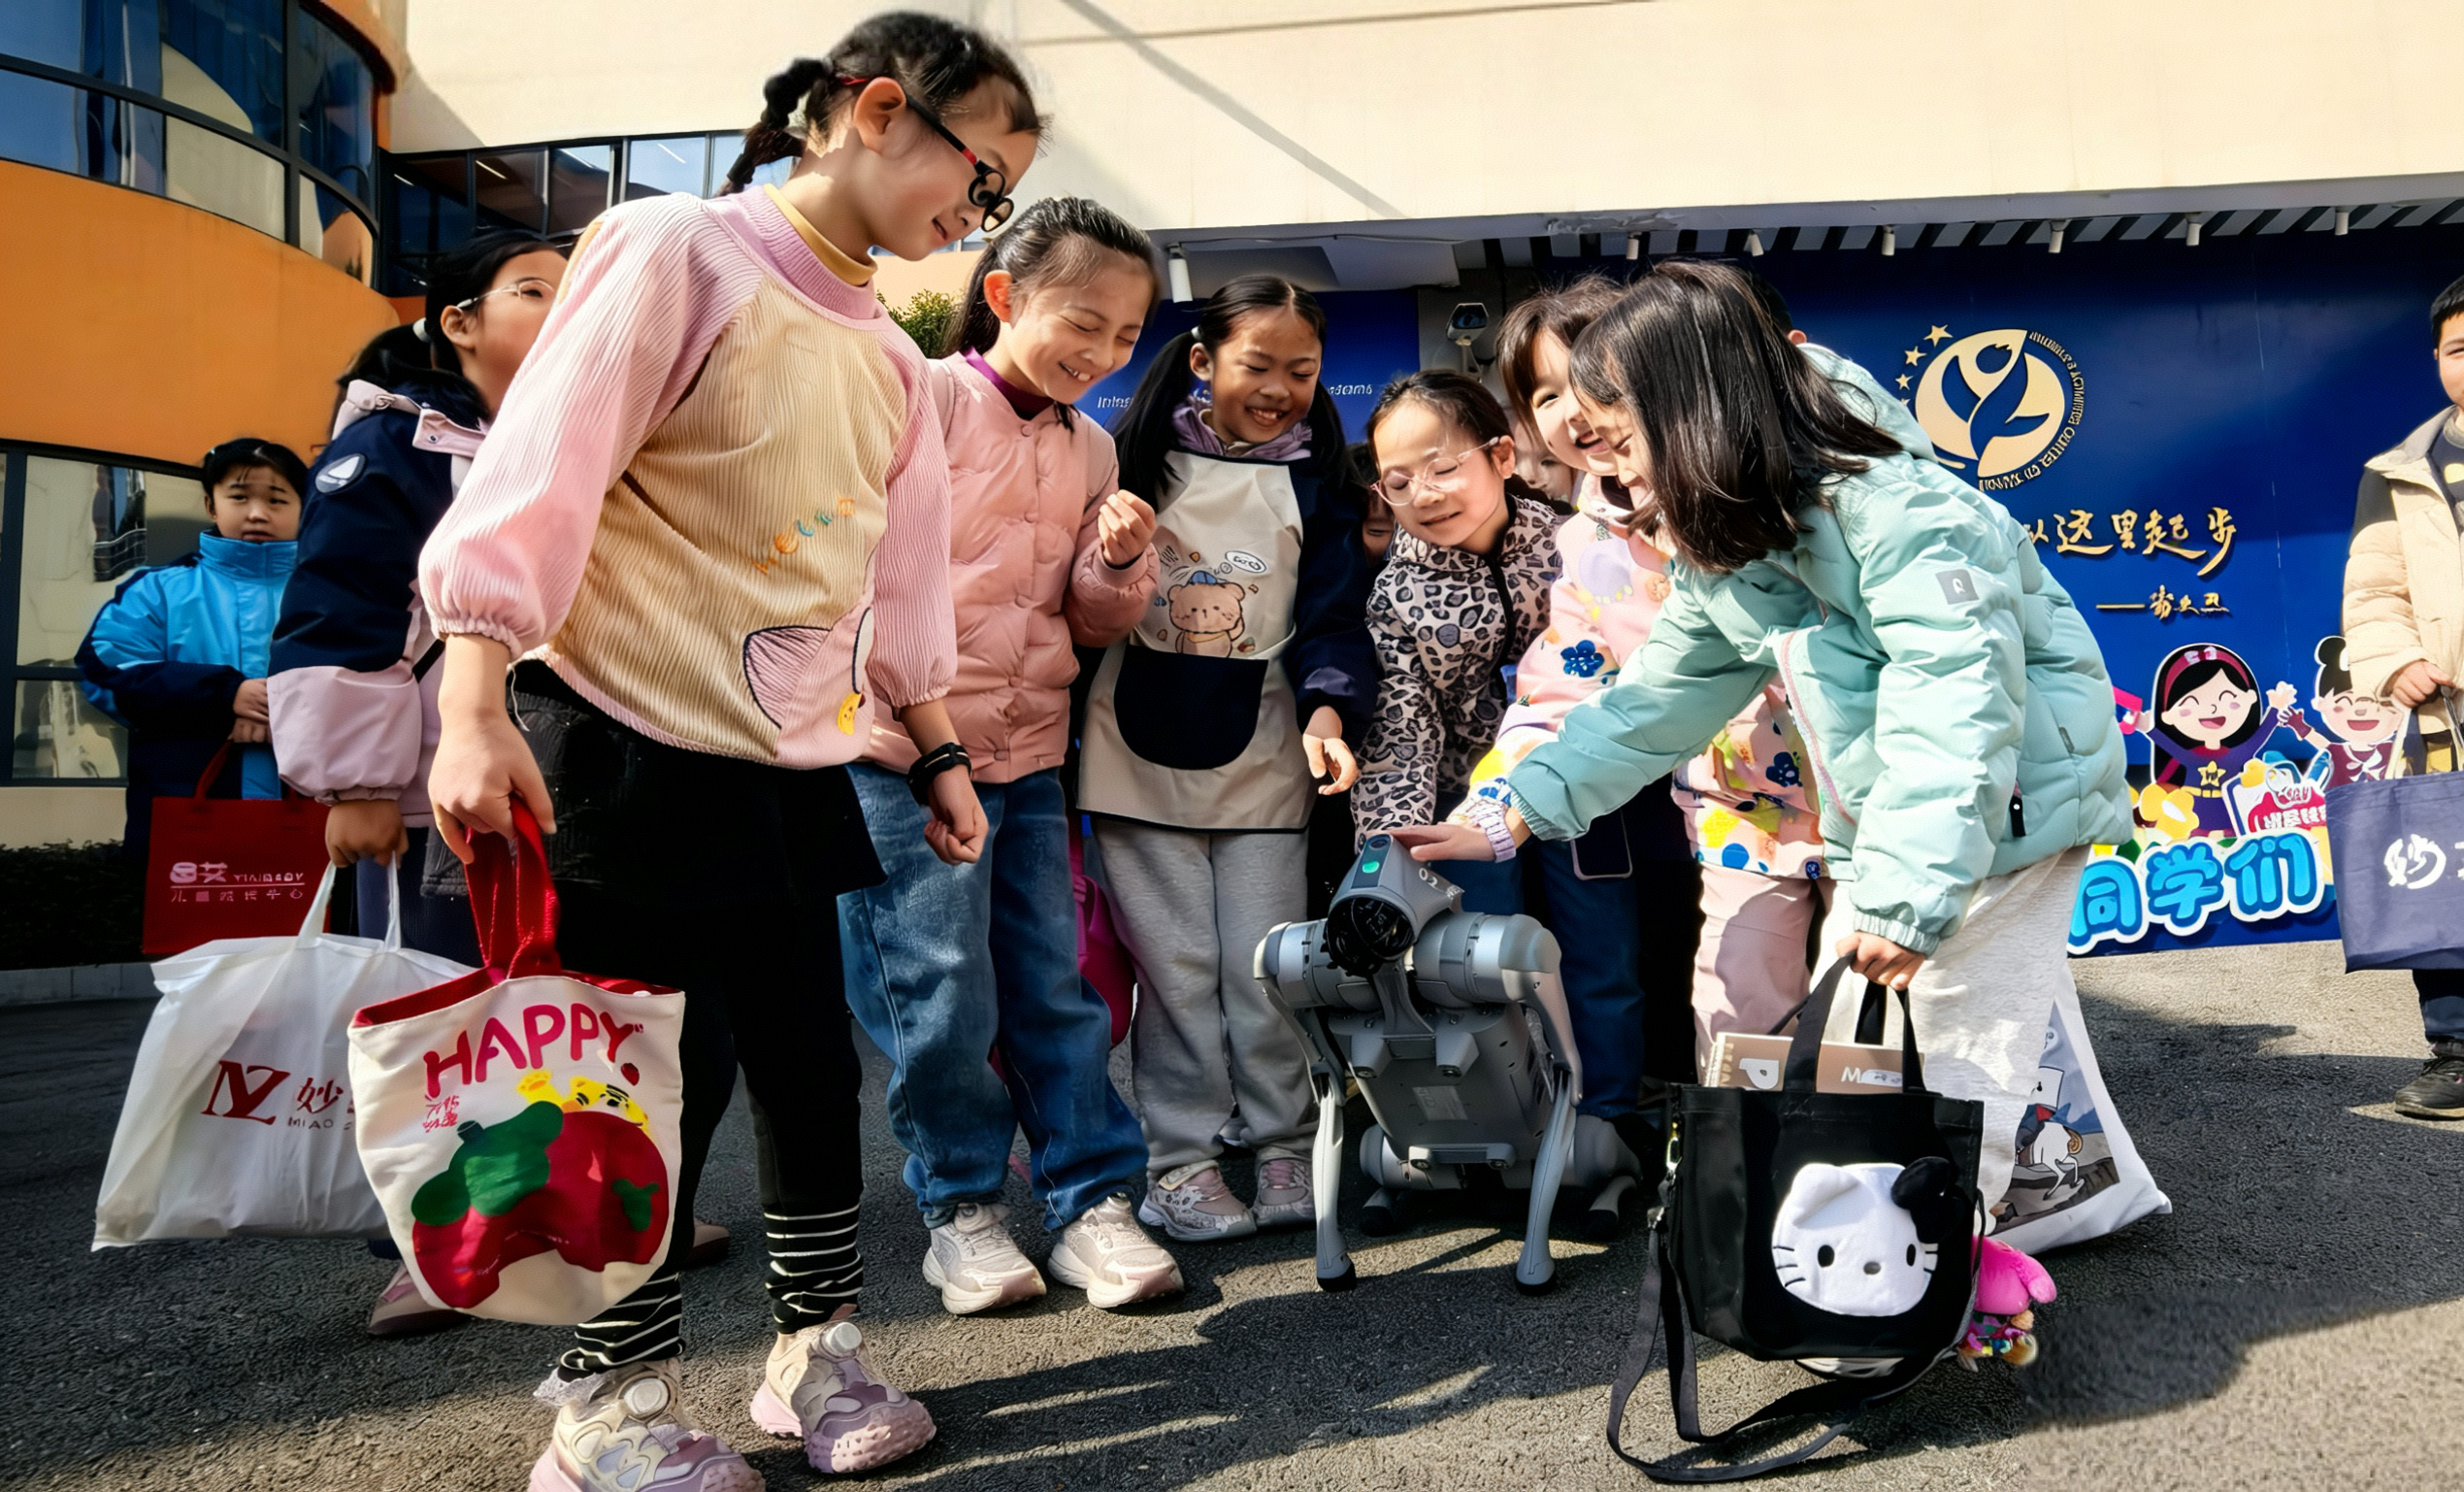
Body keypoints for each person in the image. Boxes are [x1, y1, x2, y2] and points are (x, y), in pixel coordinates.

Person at [417, 14, 1039, 1486]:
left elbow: (897, 573)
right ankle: (605, 1408)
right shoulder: (673, 248)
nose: (977, 207)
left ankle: (810, 1351)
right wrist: (469, 699)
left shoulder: (894, 354)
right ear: (875, 111)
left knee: (809, 1070)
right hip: (623, 732)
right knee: (642, 1085)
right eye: (980, 167)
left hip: (790, 761)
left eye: (999, 192)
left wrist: (937, 750)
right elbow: (538, 468)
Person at [1392, 264, 2133, 1300]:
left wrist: (1905, 890)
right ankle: (1957, 1239)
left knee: (1962, 1050)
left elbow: (1954, 708)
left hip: (2000, 821)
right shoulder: (1729, 539)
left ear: (1701, 407)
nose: (1608, 459)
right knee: (1871, 1038)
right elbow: (1652, 700)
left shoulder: (1898, 511)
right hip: (1886, 829)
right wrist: (1514, 809)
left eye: (1622, 430)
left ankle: (1927, 1296)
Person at [838, 194, 1184, 1316]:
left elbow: (1083, 622)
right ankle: (962, 1208)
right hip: (897, 749)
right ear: (1003, 298)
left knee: (1053, 979)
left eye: (1126, 337)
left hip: (1029, 752)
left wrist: (1119, 564)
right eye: (1082, 321)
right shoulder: (920, 400)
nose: (1101, 352)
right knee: (938, 990)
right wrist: (914, 734)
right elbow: (854, 576)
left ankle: (1090, 1199)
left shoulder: (1091, 443)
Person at [268, 230, 604, 1341]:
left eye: (576, 288)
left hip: (563, 776)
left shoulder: (570, 438)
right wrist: (355, 779)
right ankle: (431, 1245)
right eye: (531, 289)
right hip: (430, 793)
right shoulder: (390, 451)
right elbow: (337, 611)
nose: (564, 306)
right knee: (441, 1012)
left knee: (550, 1007)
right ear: (458, 321)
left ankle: (561, 1218)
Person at [1465, 274, 1817, 1093]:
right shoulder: (1589, 539)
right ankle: (1751, 1191)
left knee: (1883, 1012)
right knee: (1735, 1013)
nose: (1572, 412)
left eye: (1595, 381)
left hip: (1868, 800)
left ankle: (1922, 1188)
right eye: (1545, 393)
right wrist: (1495, 805)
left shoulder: (1761, 480)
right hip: (1743, 809)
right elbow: (1560, 685)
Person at [1084, 274, 1375, 1242]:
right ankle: (1183, 1161)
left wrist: (1330, 715)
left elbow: (1332, 619)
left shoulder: (1316, 478)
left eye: (1302, 370)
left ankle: (1285, 1141)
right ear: (1205, 361)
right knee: (1176, 965)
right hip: (1134, 748)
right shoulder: (1126, 463)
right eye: (1258, 364)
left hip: (1265, 746)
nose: (1280, 388)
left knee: (1266, 963)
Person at [2342, 268, 2464, 1117]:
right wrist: (2390, 663)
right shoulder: (2399, 469)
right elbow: (2373, 593)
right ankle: (2456, 1051)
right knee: (2444, 883)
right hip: (2447, 713)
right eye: (2460, 348)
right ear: (2435, 358)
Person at [79, 437, 307, 864]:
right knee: (190, 928)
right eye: (239, 497)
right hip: (185, 804)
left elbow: (372, 678)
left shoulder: (331, 595)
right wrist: (223, 698)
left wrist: (285, 710)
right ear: (211, 505)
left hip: (316, 813)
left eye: (277, 500)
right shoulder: (157, 590)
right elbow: (106, 672)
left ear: (304, 508)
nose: (257, 513)